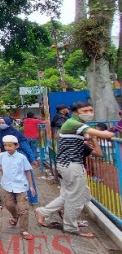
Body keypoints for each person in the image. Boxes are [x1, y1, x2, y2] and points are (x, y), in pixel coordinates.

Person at [35, 101, 114, 238]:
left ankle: (44, 212)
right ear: (75, 112)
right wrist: (111, 131)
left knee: (77, 195)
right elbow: (106, 135)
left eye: (91, 110)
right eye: (86, 111)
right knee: (75, 198)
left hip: (69, 165)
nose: (90, 113)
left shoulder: (74, 124)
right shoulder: (74, 123)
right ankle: (70, 226)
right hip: (72, 165)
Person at [0, 135, 36, 240]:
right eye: (5, 145)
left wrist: (31, 186)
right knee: (9, 204)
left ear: (16, 146)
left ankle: (24, 230)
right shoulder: (2, 155)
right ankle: (15, 216)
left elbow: (27, 171)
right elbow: (1, 166)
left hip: (21, 185)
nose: (7, 148)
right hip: (7, 185)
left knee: (23, 208)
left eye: (10, 146)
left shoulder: (22, 157)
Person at [0, 117, 39, 204]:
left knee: (27, 176)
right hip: (7, 158)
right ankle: (15, 198)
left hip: (19, 157)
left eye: (3, 122)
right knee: (10, 178)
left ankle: (32, 198)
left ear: (8, 123)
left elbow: (26, 147)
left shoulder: (16, 133)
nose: (1, 124)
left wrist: (32, 159)